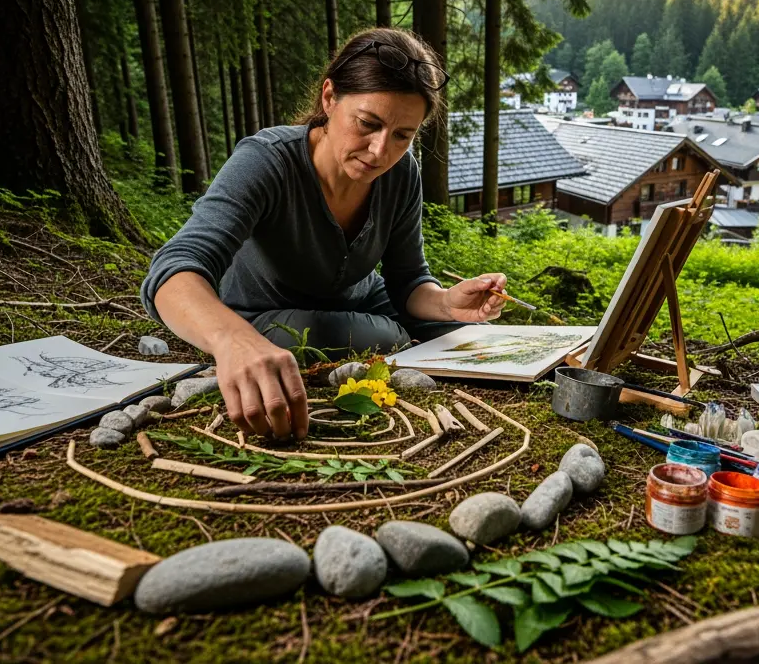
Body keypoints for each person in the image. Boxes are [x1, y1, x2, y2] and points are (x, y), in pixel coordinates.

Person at [141, 28, 507, 442]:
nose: (380, 151)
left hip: (363, 297)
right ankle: (398, 336)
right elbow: (174, 270)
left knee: (474, 337)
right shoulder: (266, 162)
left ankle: (406, 334)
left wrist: (446, 303)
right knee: (372, 335)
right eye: (368, 123)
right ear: (329, 97)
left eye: (403, 135)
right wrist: (231, 340)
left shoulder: (402, 173)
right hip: (263, 315)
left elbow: (407, 280)